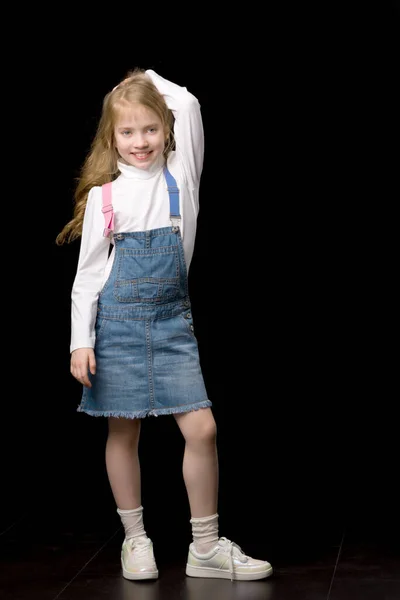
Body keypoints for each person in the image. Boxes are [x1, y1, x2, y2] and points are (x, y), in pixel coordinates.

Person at [56, 67, 273, 582]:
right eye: (127, 132)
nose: (140, 141)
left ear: (167, 131)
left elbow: (190, 103)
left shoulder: (180, 175)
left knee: (202, 428)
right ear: (112, 138)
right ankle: (136, 540)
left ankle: (204, 547)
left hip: (172, 323)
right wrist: (79, 343)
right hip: (118, 325)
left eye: (151, 128)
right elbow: (87, 277)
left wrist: (142, 78)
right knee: (122, 430)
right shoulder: (106, 198)